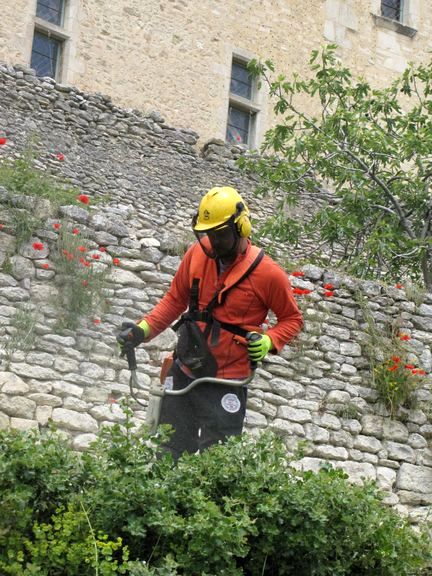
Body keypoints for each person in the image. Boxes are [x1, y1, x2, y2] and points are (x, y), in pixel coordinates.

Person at [118, 186, 303, 460]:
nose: (212, 242)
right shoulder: (197, 253)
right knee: (167, 450)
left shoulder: (268, 274)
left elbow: (292, 319)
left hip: (227, 381)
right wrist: (142, 330)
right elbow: (174, 300)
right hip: (185, 369)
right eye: (207, 234)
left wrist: (269, 341)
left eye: (220, 235)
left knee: (217, 462)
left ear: (241, 227)